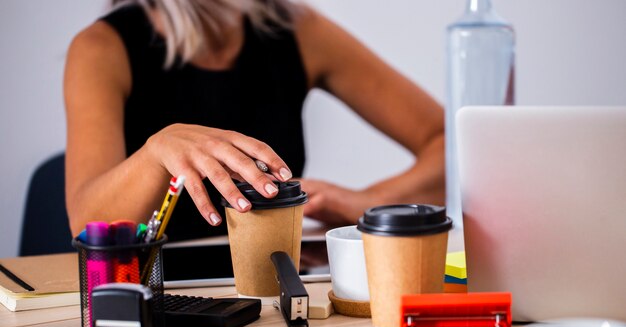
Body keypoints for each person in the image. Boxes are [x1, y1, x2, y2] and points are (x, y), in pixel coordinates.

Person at [64, 0, 445, 240]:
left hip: (277, 287)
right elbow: (86, 224)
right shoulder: (101, 49)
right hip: (156, 296)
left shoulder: (298, 28)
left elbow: (451, 144)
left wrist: (373, 201)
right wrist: (156, 152)